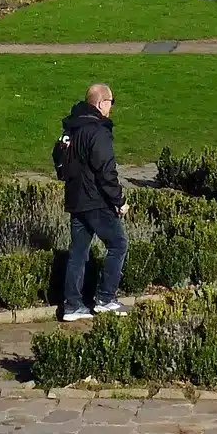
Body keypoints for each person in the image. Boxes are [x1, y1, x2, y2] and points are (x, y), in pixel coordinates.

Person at [57, 81, 129, 322]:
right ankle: (106, 298)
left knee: (78, 251)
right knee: (118, 244)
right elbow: (106, 171)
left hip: (75, 199)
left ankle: (72, 305)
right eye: (111, 102)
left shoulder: (71, 128)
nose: (111, 107)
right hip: (96, 200)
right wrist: (119, 200)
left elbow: (59, 160)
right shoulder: (98, 131)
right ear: (102, 103)